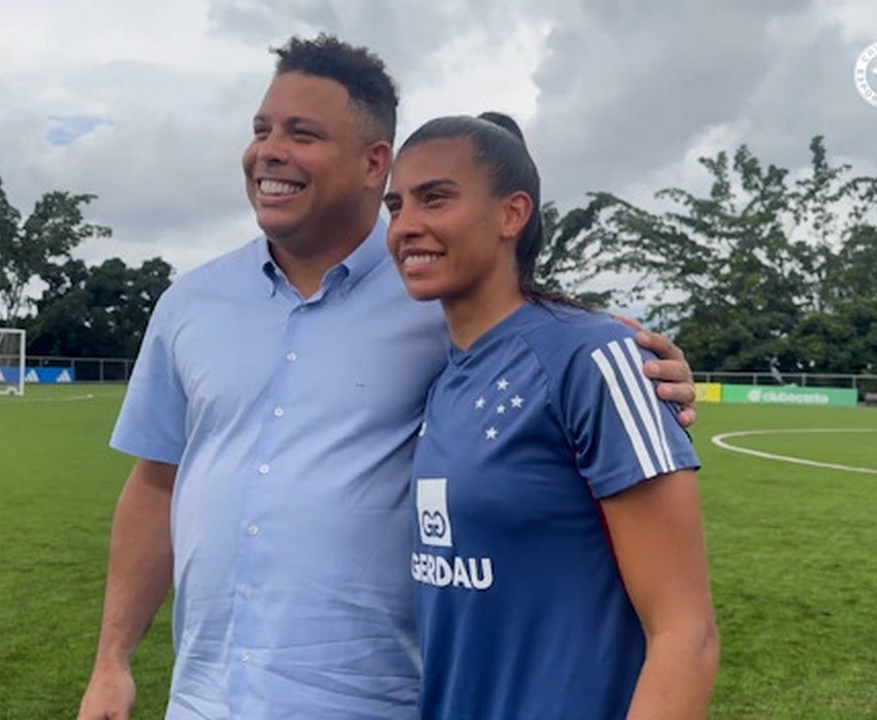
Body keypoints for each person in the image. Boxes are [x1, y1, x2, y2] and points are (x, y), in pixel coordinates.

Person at [78, 35, 699, 720]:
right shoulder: (190, 304)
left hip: (375, 701)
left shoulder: (440, 293)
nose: (269, 151)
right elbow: (157, 481)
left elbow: (550, 339)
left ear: (373, 161)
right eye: (261, 131)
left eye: (302, 133)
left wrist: (639, 363)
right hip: (205, 698)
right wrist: (112, 662)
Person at [385, 111, 719, 719]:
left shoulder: (596, 357)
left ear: (512, 214)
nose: (407, 225)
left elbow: (686, 635)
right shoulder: (440, 376)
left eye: (435, 199)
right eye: (396, 206)